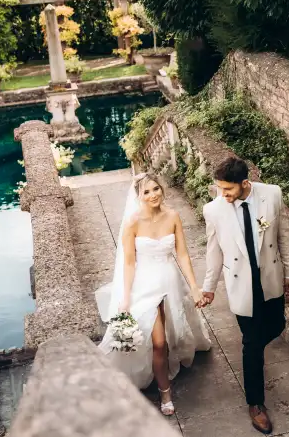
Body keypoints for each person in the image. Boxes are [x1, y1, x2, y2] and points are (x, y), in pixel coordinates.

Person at [95, 172, 211, 416]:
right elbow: (128, 263)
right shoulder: (132, 223)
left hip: (170, 281)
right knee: (158, 342)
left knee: (171, 334)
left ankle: (167, 363)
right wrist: (125, 298)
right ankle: (165, 392)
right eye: (146, 192)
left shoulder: (173, 216)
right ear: (138, 196)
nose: (153, 195)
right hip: (144, 285)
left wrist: (193, 286)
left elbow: (182, 255)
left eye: (156, 189)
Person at [201, 157, 289, 434]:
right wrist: (208, 287)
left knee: (277, 326)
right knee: (251, 343)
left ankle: (254, 356)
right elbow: (213, 252)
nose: (224, 195)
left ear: (245, 183)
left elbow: (284, 237)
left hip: (270, 277)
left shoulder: (272, 194)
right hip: (239, 283)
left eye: (228, 190)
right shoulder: (214, 210)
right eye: (220, 189)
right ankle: (256, 404)